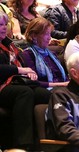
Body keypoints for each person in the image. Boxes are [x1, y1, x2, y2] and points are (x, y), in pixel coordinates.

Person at [0, 11, 38, 150]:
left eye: (5, 24)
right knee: (24, 93)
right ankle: (22, 145)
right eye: (0, 25)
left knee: (45, 94)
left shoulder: (8, 44)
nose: (4, 27)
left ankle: (47, 140)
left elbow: (20, 63)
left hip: (13, 82)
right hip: (2, 85)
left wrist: (29, 73)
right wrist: (20, 71)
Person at [19, 17, 68, 91]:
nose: (49, 38)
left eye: (49, 34)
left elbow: (63, 76)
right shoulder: (28, 54)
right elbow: (34, 82)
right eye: (46, 34)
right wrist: (61, 84)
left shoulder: (52, 54)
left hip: (62, 87)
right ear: (34, 35)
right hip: (46, 90)